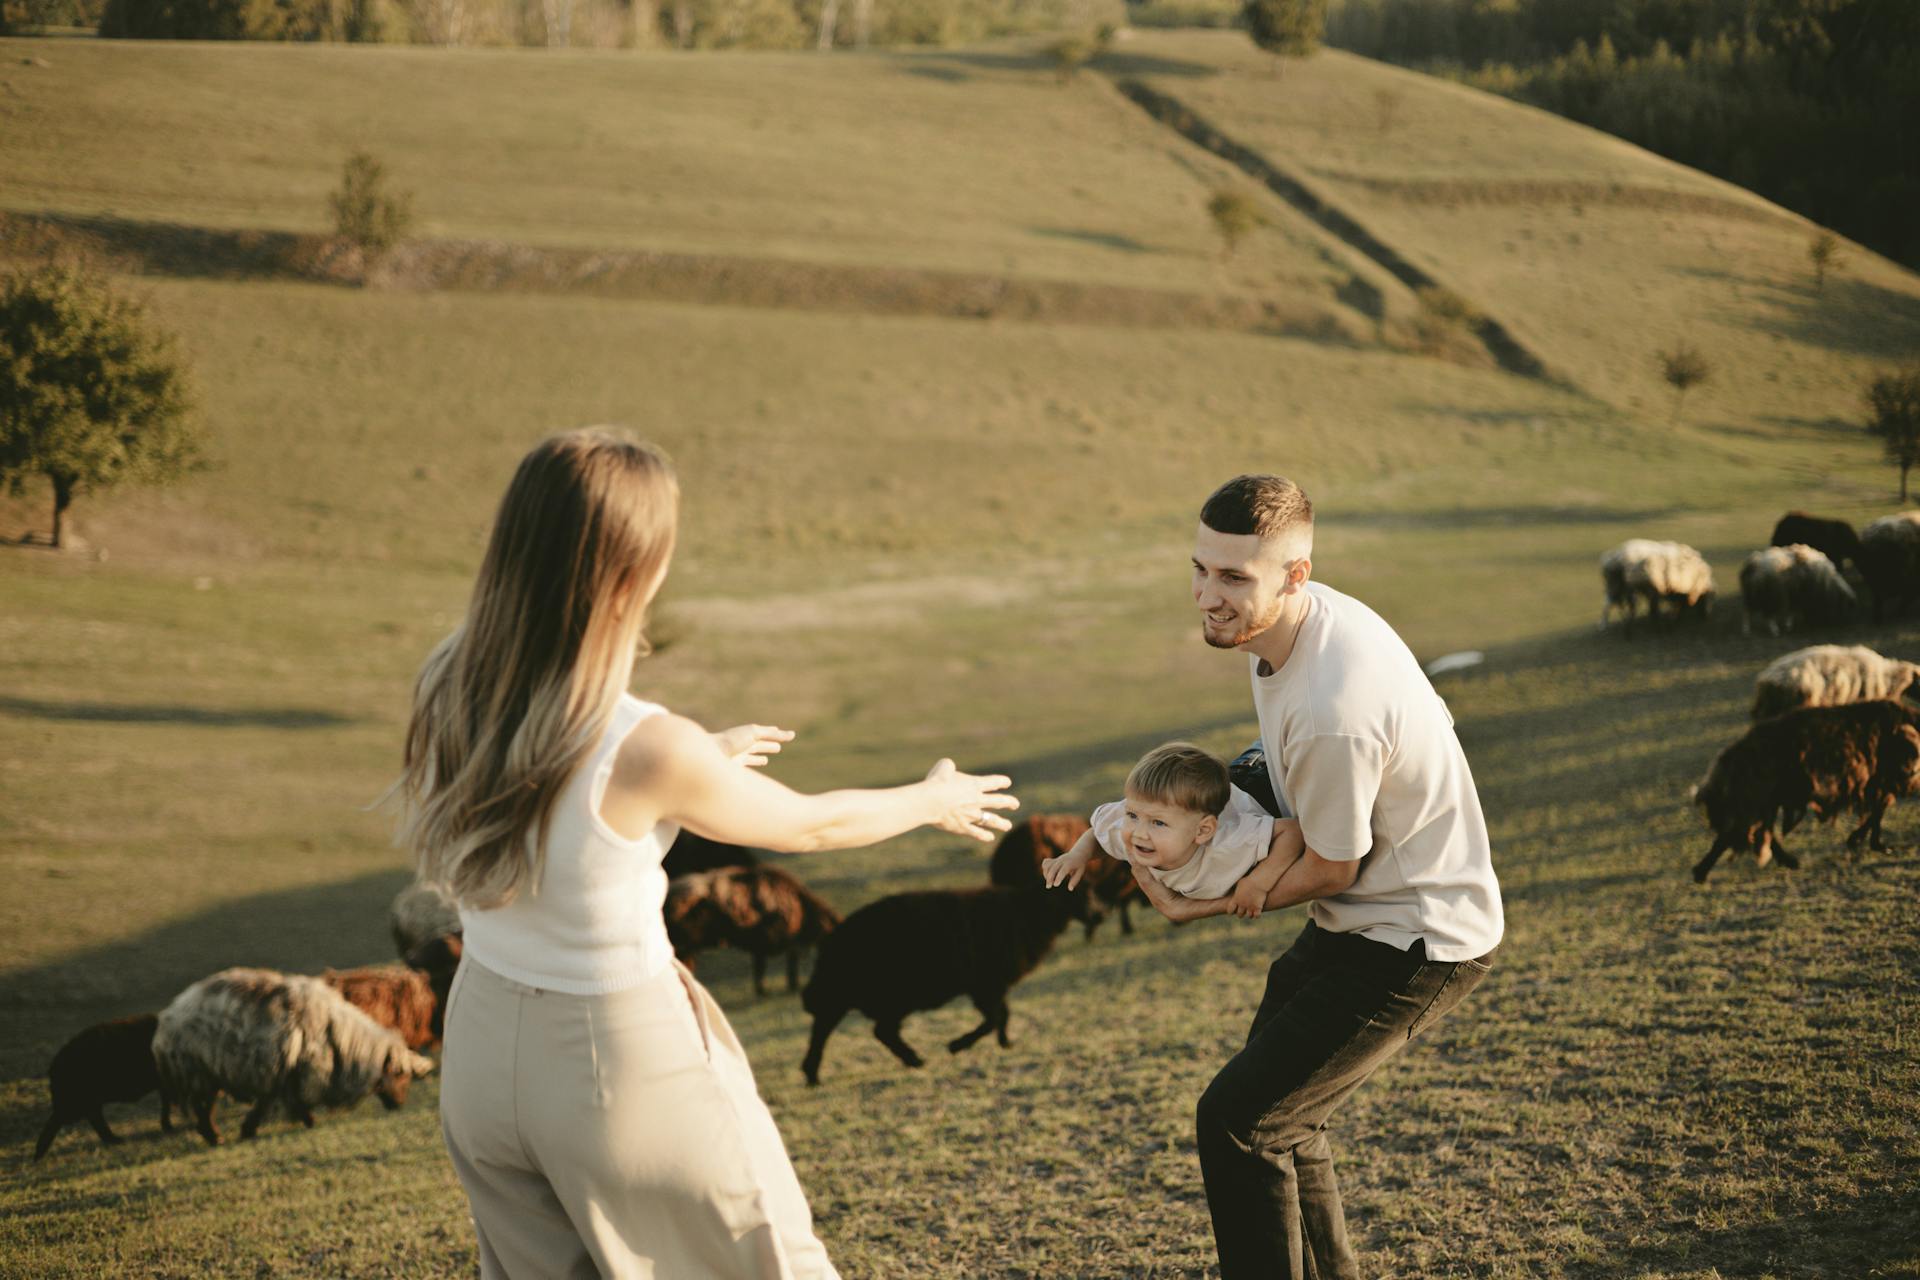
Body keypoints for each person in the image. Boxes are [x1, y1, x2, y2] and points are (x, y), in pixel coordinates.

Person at [393, 428, 1018, 1280]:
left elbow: (560, 812)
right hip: (609, 1056)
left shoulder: (449, 680)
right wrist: (933, 798)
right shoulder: (643, 747)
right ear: (630, 573)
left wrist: (693, 769)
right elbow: (811, 826)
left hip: (479, 1054)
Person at [1136, 473, 1504, 1280]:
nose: (1207, 594)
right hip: (1366, 919)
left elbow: (1335, 866)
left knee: (1239, 1120)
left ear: (1295, 575)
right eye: (1201, 568)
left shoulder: (1336, 703)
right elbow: (1288, 787)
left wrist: (1212, 902)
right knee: (1278, 1116)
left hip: (1420, 938)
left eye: (1234, 577)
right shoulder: (1295, 628)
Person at [1038, 741, 1304, 918]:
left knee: (1285, 746)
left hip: (1261, 780)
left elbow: (1292, 832)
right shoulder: (1136, 832)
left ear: (1202, 832)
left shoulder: (1228, 843)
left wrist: (1259, 883)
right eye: (1132, 815)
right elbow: (1099, 833)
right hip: (1216, 793)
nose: (1139, 832)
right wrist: (1076, 856)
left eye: (1158, 823)